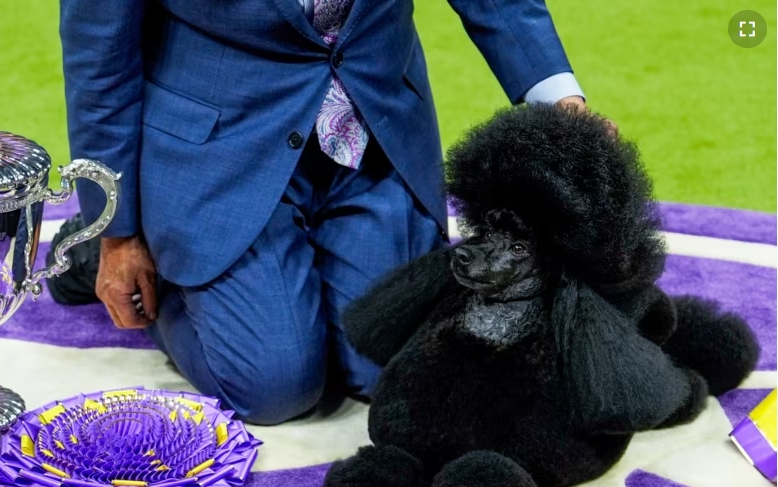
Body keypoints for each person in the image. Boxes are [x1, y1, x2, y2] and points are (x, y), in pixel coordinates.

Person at [52, 0, 604, 425]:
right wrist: (117, 231)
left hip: (375, 132)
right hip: (220, 151)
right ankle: (123, 253)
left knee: (386, 365)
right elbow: (99, 61)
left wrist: (562, 106)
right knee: (276, 387)